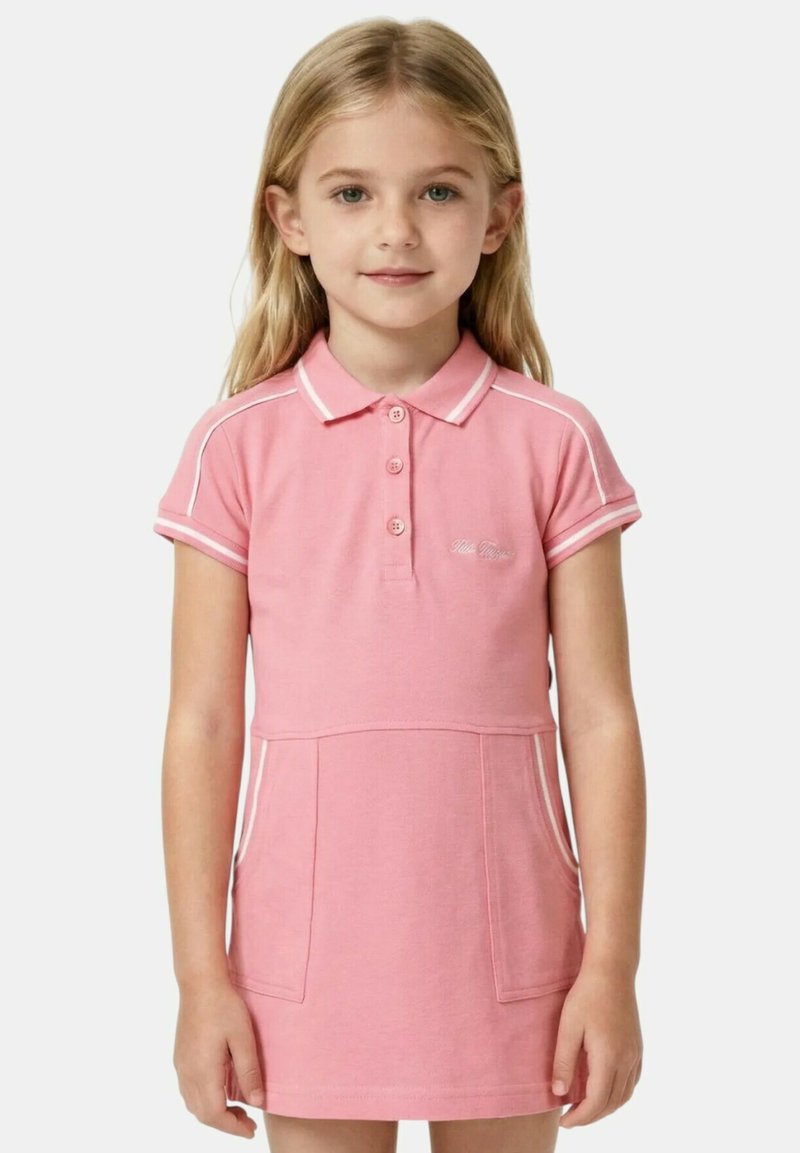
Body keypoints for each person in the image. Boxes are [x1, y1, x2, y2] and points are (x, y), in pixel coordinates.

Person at [152, 16, 646, 1153]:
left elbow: (602, 718)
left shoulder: (554, 441)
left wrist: (610, 964)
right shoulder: (234, 448)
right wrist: (199, 977)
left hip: (515, 953)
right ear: (288, 219)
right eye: (351, 193)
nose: (394, 230)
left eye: (436, 191)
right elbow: (203, 721)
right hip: (302, 957)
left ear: (498, 216)